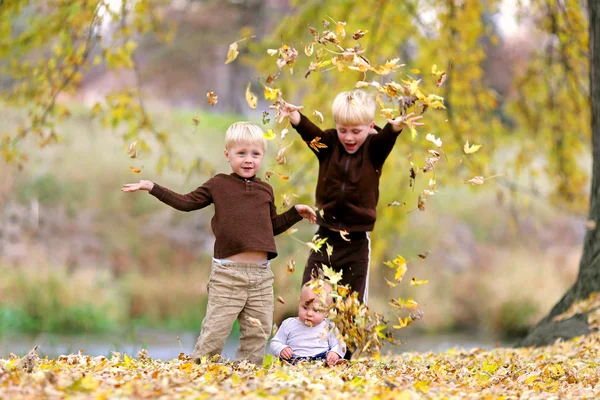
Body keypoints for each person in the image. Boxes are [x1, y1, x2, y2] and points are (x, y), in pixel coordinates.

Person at [121, 121, 316, 366]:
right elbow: (185, 202)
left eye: (255, 154)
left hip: (261, 278)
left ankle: (247, 379)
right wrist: (152, 187)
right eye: (241, 153)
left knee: (258, 333)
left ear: (262, 156)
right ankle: (200, 374)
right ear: (228, 155)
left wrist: (295, 212)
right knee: (215, 332)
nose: (248, 160)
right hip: (228, 276)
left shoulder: (266, 190)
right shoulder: (219, 184)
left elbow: (270, 228)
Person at [274, 89, 424, 303]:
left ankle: (347, 335)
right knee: (311, 298)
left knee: (351, 311)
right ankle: (308, 335)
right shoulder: (329, 145)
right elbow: (310, 134)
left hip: (356, 243)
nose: (349, 137)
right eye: (343, 130)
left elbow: (386, 139)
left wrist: (395, 127)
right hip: (324, 238)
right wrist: (295, 118)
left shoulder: (374, 150)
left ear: (370, 127)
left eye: (356, 131)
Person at [269, 280, 346, 366]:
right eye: (305, 308)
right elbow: (275, 343)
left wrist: (335, 353)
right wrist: (281, 349)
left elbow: (341, 344)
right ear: (299, 303)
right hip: (293, 364)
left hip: (321, 363)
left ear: (327, 312)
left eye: (316, 310)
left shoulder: (329, 326)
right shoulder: (288, 324)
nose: (309, 313)